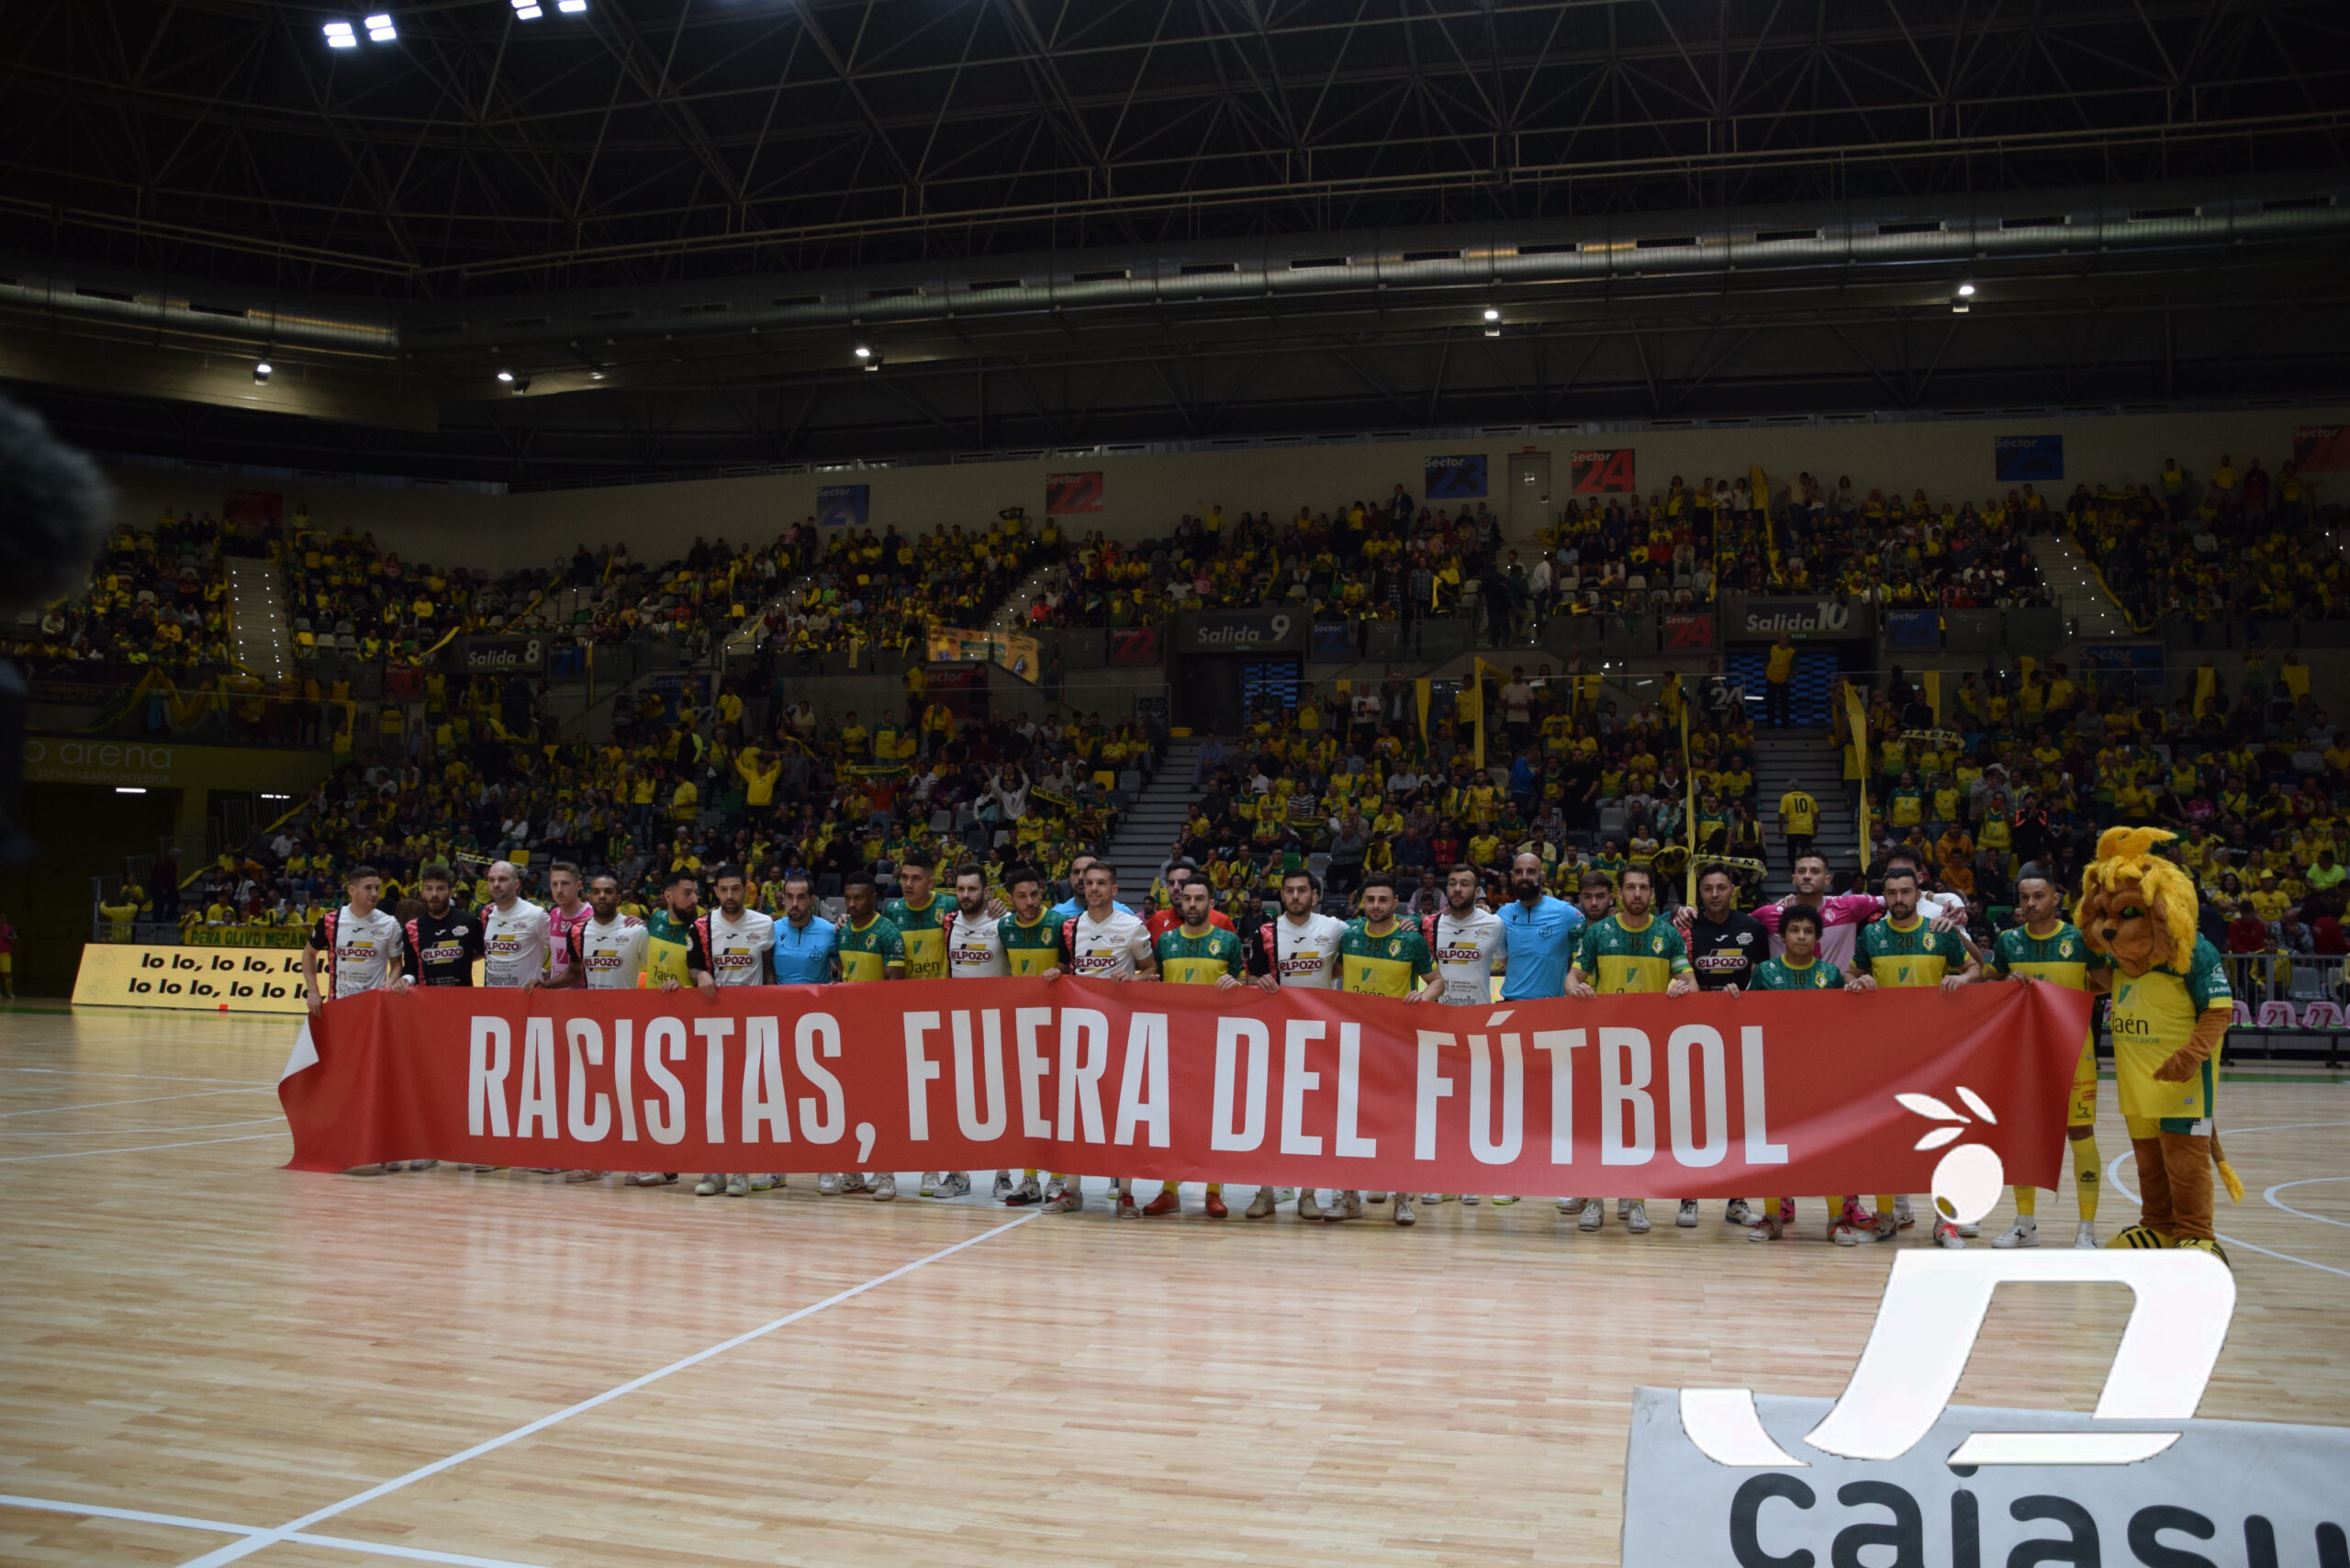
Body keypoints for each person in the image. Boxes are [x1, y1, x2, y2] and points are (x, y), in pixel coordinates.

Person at [1846, 863, 1980, 1249]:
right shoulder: (1872, 935)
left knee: (1943, 1136)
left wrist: (1962, 978)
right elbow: (1850, 975)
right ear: (1884, 897)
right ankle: (1886, 1218)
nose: (1899, 900)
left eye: (1906, 892)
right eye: (1891, 894)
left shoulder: (1939, 932)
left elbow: (1977, 969)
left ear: (1918, 894)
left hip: (1938, 1053)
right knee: (1889, 1138)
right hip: (1886, 1055)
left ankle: (1945, 1223)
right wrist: (1859, 981)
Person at [1982, 871, 2109, 1249]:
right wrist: (2005, 985)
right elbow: (1989, 986)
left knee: (2080, 1134)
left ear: (2056, 899)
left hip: (2074, 1055)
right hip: (2024, 1057)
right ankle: (2025, 1225)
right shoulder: (2008, 942)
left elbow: (2108, 983)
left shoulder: (2080, 940)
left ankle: (2086, 1230)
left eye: (2039, 896)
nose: (2031, 904)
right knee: (2025, 1136)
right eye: (2024, 898)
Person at [1563, 864, 1694, 1234]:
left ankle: (1636, 1201)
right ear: (1619, 894)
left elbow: (1691, 984)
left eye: (1644, 888)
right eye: (1631, 888)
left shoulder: (1668, 935)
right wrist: (1574, 987)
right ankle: (1594, 1201)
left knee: (1640, 1130)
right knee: (1597, 1127)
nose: (1637, 894)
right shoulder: (1598, 933)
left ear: (1653, 894)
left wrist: (1681, 988)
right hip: (1603, 1042)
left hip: (1648, 1047)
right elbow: (1573, 976)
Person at [1240, 868, 1348, 1220]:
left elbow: (1368, 940)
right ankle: (1266, 1191)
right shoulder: (1266, 933)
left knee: (1313, 1117)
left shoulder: (1333, 928)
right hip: (1276, 1036)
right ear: (1282, 896)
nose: (1296, 896)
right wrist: (1259, 980)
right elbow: (1252, 977)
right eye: (1289, 891)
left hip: (1321, 1037)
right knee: (1269, 1114)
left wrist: (1407, 924)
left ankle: (1308, 1193)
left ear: (1315, 896)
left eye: (1303, 890)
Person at [1141, 879, 1248, 1217]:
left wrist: (1238, 983)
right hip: (1172, 1042)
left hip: (1216, 1041)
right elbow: (1154, 979)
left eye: (1199, 898)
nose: (1191, 904)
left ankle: (1214, 1190)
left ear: (1211, 903)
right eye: (1186, 898)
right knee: (1170, 1118)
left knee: (1213, 1119)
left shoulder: (1227, 941)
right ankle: (1169, 1190)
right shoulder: (1167, 941)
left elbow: (1243, 983)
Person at [1333, 872, 1434, 1226]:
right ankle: (1349, 1198)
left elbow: (1437, 982)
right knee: (1349, 1121)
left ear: (1395, 904)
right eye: (1370, 900)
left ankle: (1402, 1198)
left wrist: (1422, 997)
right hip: (1353, 1043)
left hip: (1396, 1045)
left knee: (1399, 1122)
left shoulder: (1412, 941)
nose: (1376, 906)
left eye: (1383, 900)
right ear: (1363, 902)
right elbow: (1333, 974)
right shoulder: (1349, 937)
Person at [1058, 861, 1156, 1217]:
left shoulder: (1131, 927)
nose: (1093, 888)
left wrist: (1135, 981)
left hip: (1120, 1030)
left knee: (1122, 1110)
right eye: (1088, 883)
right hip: (1079, 1030)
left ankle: (1126, 1192)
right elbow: (1068, 969)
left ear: (1114, 890)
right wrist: (1059, 973)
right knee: (1075, 1111)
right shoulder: (1070, 927)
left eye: (1101, 883)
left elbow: (1152, 971)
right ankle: (1072, 1190)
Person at [1743, 905, 1846, 1242]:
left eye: (1807, 931)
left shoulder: (1831, 975)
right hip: (1775, 1073)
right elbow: (1748, 1016)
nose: (1801, 936)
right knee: (1773, 1148)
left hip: (1821, 1076)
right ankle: (1772, 1218)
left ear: (1817, 938)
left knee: (1829, 1149)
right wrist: (1733, 998)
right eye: (1794, 930)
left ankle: (1836, 1220)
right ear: (1783, 935)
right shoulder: (1765, 973)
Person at [302, 866, 411, 1175]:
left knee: (380, 1084)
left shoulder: (389, 924)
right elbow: (308, 955)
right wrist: (313, 990)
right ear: (351, 890)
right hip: (340, 1015)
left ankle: (388, 1149)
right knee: (341, 1087)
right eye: (368, 888)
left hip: (375, 1018)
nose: (375, 894)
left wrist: (392, 983)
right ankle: (339, 1147)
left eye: (377, 887)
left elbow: (396, 965)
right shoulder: (331, 921)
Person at [547, 869, 648, 1186]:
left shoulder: (636, 931)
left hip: (630, 1025)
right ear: (589, 895)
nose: (602, 896)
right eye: (596, 891)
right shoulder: (577, 932)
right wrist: (546, 985)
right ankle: (597, 1161)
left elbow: (654, 971)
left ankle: (640, 1160)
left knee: (631, 1095)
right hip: (592, 1026)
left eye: (608, 892)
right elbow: (575, 973)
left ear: (619, 898)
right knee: (595, 1095)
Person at [1681, 864, 1769, 1227]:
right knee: (1694, 1116)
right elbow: (1677, 974)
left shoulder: (1752, 928)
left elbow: (1763, 978)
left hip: (1739, 1034)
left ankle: (1737, 1199)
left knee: (1737, 1118)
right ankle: (1689, 1197)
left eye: (1721, 887)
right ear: (1699, 893)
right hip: (1693, 1033)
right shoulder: (1685, 929)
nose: (1714, 894)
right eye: (1707, 889)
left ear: (1733, 889)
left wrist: (1744, 1000)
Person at [1424, 861, 1507, 1207]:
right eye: (1453, 883)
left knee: (1475, 1104)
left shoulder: (1495, 924)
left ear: (1477, 891)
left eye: (1465, 884)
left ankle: (1469, 1176)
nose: (1458, 889)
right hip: (1437, 1022)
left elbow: (1507, 961)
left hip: (1477, 1024)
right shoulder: (1428, 926)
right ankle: (1441, 1177)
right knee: (1440, 1104)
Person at [988, 864, 1069, 1206]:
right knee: (1026, 1104)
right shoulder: (1003, 927)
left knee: (1057, 1103)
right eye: (1022, 896)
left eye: (1035, 894)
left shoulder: (1059, 925)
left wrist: (1061, 970)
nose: (1030, 901)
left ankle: (1059, 1178)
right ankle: (1030, 1179)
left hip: (1058, 1023)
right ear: (1010, 898)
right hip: (1020, 1025)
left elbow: (1073, 964)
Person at [695, 865, 777, 1199]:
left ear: (747, 890)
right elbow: (693, 965)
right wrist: (699, 973)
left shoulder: (764, 924)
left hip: (751, 1024)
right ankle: (713, 1170)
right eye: (723, 890)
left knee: (745, 1099)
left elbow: (770, 973)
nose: (730, 896)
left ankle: (740, 1170)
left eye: (735, 889)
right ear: (715, 892)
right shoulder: (701, 926)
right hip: (712, 1023)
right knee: (712, 1100)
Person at [822, 871, 904, 1198]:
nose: (852, 904)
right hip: (849, 1030)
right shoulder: (842, 933)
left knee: (879, 1105)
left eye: (859, 898)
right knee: (850, 1103)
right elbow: (845, 975)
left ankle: (886, 1175)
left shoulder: (888, 933)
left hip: (880, 1031)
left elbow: (894, 988)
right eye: (848, 898)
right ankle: (854, 1173)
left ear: (873, 899)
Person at [402, 862, 482, 990]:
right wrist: (405, 980)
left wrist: (465, 958)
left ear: (450, 892)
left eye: (440, 888)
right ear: (422, 892)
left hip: (463, 1000)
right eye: (429, 888)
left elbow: (488, 953)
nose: (434, 894)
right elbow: (410, 969)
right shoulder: (412, 928)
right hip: (427, 1001)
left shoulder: (469, 922)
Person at [478, 859, 551, 991]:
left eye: (502, 879)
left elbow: (560, 950)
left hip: (526, 998)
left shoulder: (535, 914)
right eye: (491, 880)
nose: (495, 884)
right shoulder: (486, 913)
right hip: (493, 998)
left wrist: (548, 977)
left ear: (516, 884)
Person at [882, 851, 948, 980]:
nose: (908, 884)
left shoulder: (949, 905)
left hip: (942, 992)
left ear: (930, 883)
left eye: (916, 878)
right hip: (908, 993)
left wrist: (995, 906)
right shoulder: (892, 911)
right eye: (904, 877)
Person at [767, 873, 836, 985]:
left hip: (817, 1001)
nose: (794, 904)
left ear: (812, 900)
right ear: (784, 898)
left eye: (801, 897)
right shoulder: (772, 929)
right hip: (781, 999)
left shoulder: (829, 930)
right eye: (789, 897)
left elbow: (844, 971)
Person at [543, 861, 589, 992]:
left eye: (565, 883)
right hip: (554, 995)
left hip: (581, 997)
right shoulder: (553, 914)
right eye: (554, 884)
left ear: (578, 885)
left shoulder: (591, 917)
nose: (559, 890)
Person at [1776, 784, 1818, 870]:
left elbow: (1782, 814)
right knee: (1806, 853)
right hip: (1807, 828)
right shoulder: (1809, 797)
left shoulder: (1786, 797)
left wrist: (1781, 830)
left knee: (1792, 852)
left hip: (1793, 828)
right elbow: (1817, 814)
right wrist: (1815, 829)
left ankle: (1794, 870)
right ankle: (1805, 869)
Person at [1763, 632, 1796, 728]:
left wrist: (1789, 678)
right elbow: (1766, 661)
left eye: (1785, 639)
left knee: (1784, 704)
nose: (1783, 641)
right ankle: (1770, 725)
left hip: (1783, 682)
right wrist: (1765, 674)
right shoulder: (1772, 648)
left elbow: (1795, 667)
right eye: (1781, 639)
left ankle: (1785, 725)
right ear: (1778, 640)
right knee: (1770, 704)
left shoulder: (1792, 652)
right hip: (1771, 681)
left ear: (1788, 641)